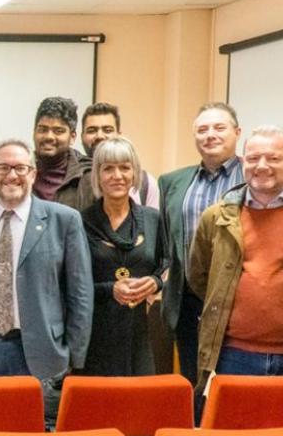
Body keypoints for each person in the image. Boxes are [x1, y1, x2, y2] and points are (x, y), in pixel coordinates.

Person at [0, 139, 93, 425]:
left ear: (33, 174)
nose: (11, 175)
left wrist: (73, 359)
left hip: (42, 356)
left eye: (20, 167)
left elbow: (81, 294)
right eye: (2, 167)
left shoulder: (64, 220)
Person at [188, 125, 283, 388]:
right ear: (243, 161)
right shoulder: (215, 217)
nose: (262, 166)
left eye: (273, 158)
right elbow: (199, 277)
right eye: (252, 158)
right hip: (232, 355)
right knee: (231, 430)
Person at [159, 102, 244, 397]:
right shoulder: (173, 182)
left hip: (238, 299)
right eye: (202, 129)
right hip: (188, 301)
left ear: (237, 132)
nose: (210, 135)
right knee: (193, 383)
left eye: (219, 128)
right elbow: (166, 242)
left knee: (231, 385)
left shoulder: (255, 176)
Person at [79, 138, 168, 376]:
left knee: (139, 408)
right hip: (94, 338)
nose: (117, 175)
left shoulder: (153, 219)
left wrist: (155, 283)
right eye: (108, 168)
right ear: (97, 175)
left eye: (125, 167)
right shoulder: (80, 222)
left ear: (135, 173)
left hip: (141, 333)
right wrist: (111, 289)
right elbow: (71, 284)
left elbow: (166, 265)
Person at [80, 102, 159, 209]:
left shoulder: (145, 183)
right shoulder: (72, 181)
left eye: (107, 130)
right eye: (92, 130)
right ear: (82, 137)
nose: (99, 136)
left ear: (119, 135)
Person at [32, 96, 96, 211]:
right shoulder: (19, 170)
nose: (49, 137)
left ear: (72, 137)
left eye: (58, 131)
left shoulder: (89, 175)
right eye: (43, 129)